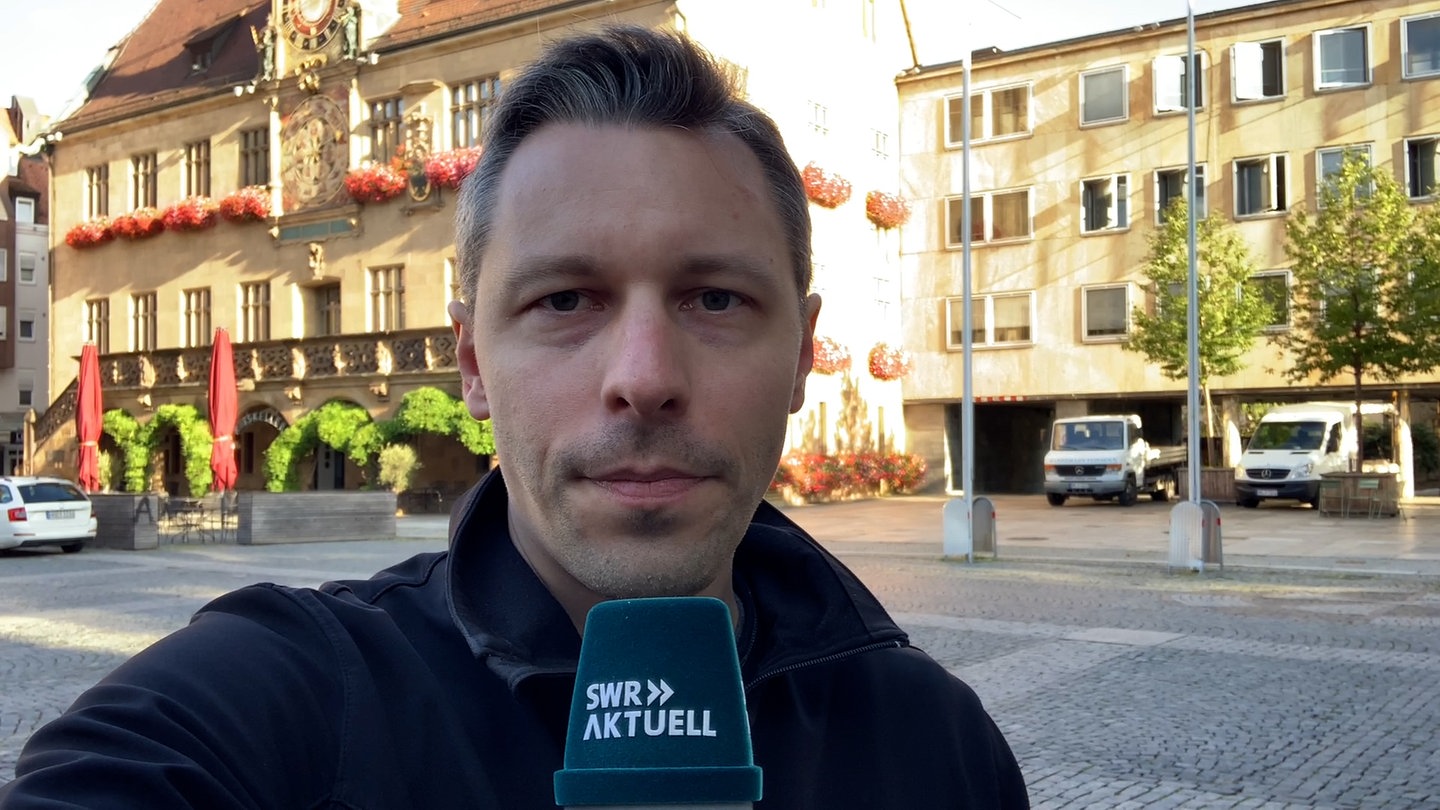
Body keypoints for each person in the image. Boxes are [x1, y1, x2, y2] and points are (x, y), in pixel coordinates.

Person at [0, 25, 1028, 808]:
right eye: (565, 300)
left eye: (715, 298)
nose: (643, 378)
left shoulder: (938, 747)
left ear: (802, 354)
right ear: (473, 364)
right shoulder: (292, 696)